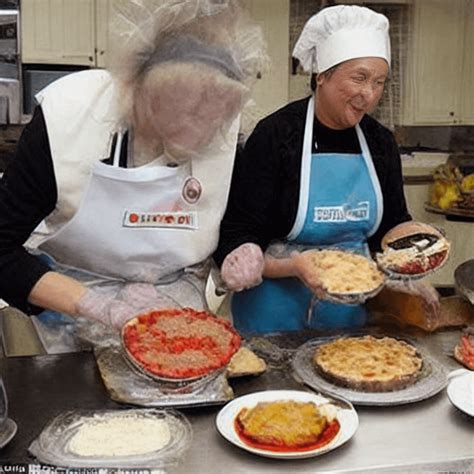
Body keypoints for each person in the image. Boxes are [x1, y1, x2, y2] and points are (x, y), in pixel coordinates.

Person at [0, 0, 267, 348]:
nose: (196, 134)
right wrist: (96, 306)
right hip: (71, 320)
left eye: (210, 121)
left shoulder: (229, 133)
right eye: (176, 118)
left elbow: (228, 222)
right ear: (134, 91)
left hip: (178, 319)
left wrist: (239, 249)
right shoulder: (70, 120)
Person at [213, 4, 440, 334]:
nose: (369, 94)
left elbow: (389, 226)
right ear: (322, 75)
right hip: (272, 317)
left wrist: (413, 258)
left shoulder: (380, 143)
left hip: (346, 321)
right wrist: (295, 266)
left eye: (379, 82)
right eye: (359, 78)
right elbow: (236, 233)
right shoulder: (276, 136)